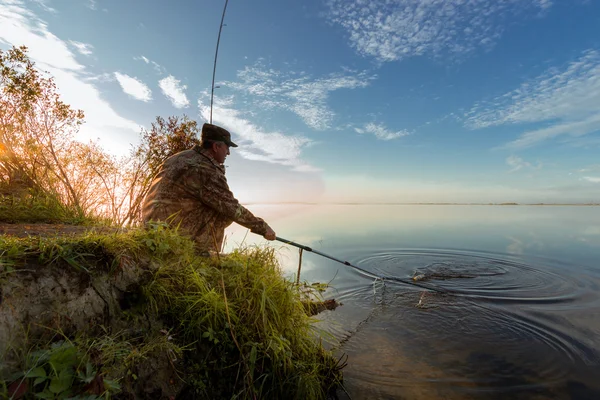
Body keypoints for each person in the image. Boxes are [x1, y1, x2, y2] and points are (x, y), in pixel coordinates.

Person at [142, 123, 276, 254]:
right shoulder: (206, 170)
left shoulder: (179, 157)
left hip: (152, 226)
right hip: (172, 233)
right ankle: (204, 254)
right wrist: (263, 228)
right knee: (222, 211)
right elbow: (232, 207)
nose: (228, 153)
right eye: (227, 147)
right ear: (216, 146)